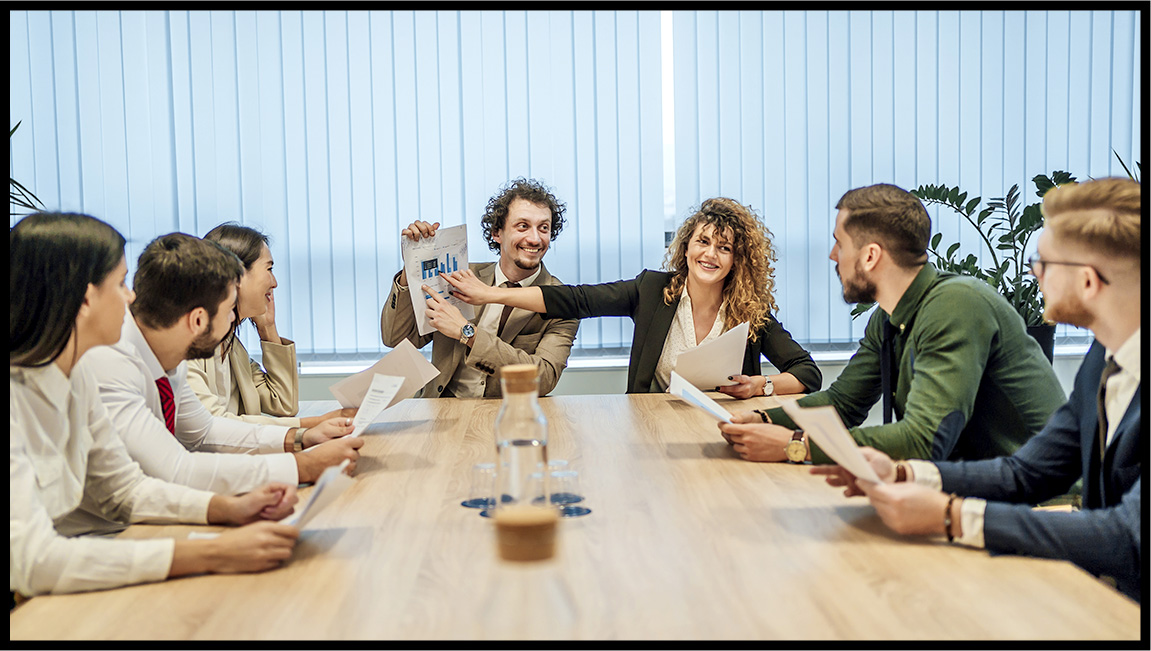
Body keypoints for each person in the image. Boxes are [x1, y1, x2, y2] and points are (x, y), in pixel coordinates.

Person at [811, 178, 1141, 602]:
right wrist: (903, 472)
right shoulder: (1102, 360)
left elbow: (1127, 537)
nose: (1034, 273)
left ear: (1089, 282)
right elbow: (1025, 473)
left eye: (1044, 262)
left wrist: (952, 516)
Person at [11, 212, 301, 602]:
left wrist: (224, 509)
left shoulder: (75, 375)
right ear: (83, 299)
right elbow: (35, 560)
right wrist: (210, 552)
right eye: (120, 284)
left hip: (78, 569)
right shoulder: (59, 381)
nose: (132, 297)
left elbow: (125, 489)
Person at [718, 183, 1064, 464]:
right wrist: (764, 420)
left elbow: (923, 440)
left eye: (840, 243)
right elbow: (844, 403)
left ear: (870, 255)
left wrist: (795, 445)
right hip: (973, 493)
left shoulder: (956, 305)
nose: (832, 256)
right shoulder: (888, 316)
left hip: (1045, 506)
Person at [76, 233, 361, 534]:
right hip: (99, 536)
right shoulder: (109, 363)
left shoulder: (163, 354)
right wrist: (302, 466)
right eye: (229, 311)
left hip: (146, 519)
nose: (232, 322)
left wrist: (299, 440)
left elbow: (205, 432)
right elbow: (177, 468)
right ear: (198, 320)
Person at [443, 197, 822, 396]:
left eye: (724, 248)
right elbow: (575, 300)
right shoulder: (653, 291)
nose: (710, 254)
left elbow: (807, 374)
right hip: (654, 430)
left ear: (737, 259)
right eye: (703, 242)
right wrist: (489, 293)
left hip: (729, 432)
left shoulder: (749, 310)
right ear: (686, 246)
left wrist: (761, 385)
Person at [381, 177, 580, 397]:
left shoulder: (562, 301)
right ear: (497, 233)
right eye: (523, 226)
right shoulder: (460, 275)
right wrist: (412, 266)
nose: (535, 238)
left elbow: (543, 378)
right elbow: (396, 339)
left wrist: (468, 333)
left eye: (543, 228)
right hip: (441, 411)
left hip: (507, 417)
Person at [186, 222, 356, 427]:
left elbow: (283, 403)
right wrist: (311, 424)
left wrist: (267, 328)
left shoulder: (231, 346)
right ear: (236, 275)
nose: (274, 282)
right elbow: (212, 425)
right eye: (269, 269)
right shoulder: (189, 345)